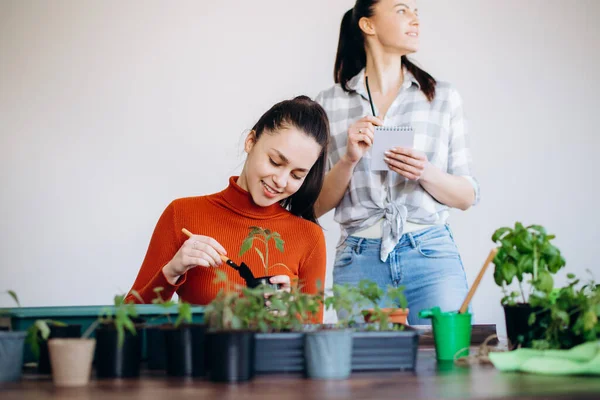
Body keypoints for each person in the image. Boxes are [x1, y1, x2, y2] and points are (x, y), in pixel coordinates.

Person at [314, 0, 480, 325]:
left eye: (416, 11)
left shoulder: (442, 97)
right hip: (358, 261)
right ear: (368, 24)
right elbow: (315, 206)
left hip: (430, 257)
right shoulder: (329, 103)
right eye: (402, 9)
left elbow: (466, 196)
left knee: (445, 367)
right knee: (368, 371)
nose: (415, 18)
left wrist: (425, 172)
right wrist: (348, 159)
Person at [126, 95, 330, 322]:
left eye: (296, 175)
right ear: (250, 141)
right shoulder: (181, 214)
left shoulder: (309, 238)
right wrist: (172, 271)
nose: (281, 181)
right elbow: (126, 322)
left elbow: (316, 346)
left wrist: (292, 315)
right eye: (274, 161)